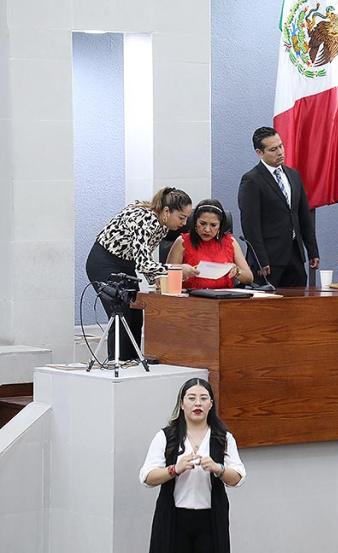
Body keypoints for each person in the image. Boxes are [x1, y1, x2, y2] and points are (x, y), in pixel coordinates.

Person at [139, 378, 245, 553]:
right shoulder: (166, 436)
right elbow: (147, 477)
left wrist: (218, 468)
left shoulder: (223, 437)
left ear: (211, 404)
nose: (198, 403)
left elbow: (238, 478)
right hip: (174, 518)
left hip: (211, 520)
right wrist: (174, 469)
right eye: (191, 398)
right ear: (182, 404)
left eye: (203, 398)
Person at [86, 187, 193, 360]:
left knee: (136, 315)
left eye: (187, 218)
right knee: (121, 315)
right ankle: (118, 362)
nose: (184, 223)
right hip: (104, 262)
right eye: (181, 217)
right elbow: (143, 263)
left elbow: (143, 255)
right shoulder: (145, 219)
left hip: (126, 264)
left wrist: (155, 279)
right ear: (167, 211)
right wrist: (178, 269)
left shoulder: (162, 226)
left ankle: (133, 361)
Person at [238, 126, 319, 288]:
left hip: (295, 256)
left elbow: (303, 216)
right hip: (269, 259)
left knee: (298, 299)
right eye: (273, 149)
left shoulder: (293, 175)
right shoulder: (252, 180)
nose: (280, 152)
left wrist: (312, 250)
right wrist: (260, 259)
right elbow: (250, 225)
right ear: (259, 152)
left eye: (281, 146)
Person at [166, 199, 254, 289]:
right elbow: (166, 275)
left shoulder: (230, 242)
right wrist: (181, 269)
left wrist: (237, 272)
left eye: (213, 225)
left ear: (220, 226)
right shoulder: (182, 241)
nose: (207, 229)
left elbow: (249, 278)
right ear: (195, 222)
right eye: (202, 223)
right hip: (191, 296)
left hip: (223, 295)